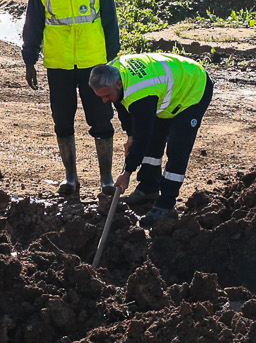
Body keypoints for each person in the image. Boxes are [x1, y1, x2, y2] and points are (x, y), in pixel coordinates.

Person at [21, 0, 120, 201]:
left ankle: (106, 180)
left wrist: (109, 59)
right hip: (59, 65)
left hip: (93, 64)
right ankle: (71, 178)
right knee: (62, 122)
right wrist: (29, 59)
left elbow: (110, 20)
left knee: (101, 121)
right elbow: (33, 23)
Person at [87, 52, 214, 226]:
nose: (104, 101)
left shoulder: (141, 94)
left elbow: (142, 138)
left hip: (192, 88)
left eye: (107, 95)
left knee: (177, 147)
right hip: (165, 89)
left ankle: (166, 204)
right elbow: (121, 105)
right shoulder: (114, 70)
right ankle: (148, 188)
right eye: (100, 96)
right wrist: (130, 135)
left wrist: (127, 173)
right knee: (155, 139)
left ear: (118, 84)